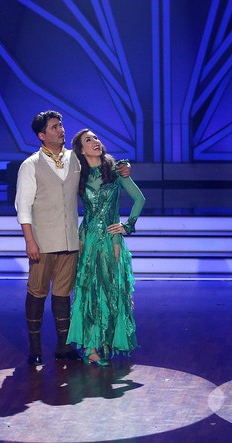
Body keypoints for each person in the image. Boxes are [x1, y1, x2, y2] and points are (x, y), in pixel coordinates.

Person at [15, 111, 132, 366]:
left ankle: (63, 346)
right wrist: (30, 241)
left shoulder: (74, 160)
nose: (61, 130)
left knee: (62, 294)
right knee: (37, 292)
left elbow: (100, 164)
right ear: (42, 135)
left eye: (61, 126)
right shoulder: (30, 165)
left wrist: (124, 168)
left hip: (70, 241)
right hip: (43, 241)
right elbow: (23, 207)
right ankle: (35, 347)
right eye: (55, 127)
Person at [66, 129, 145, 366]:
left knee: (112, 291)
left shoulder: (117, 171)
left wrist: (127, 226)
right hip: (88, 241)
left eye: (96, 138)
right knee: (89, 292)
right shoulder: (78, 174)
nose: (95, 142)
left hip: (112, 241)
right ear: (80, 150)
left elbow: (140, 199)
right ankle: (91, 346)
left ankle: (109, 339)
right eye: (88, 140)